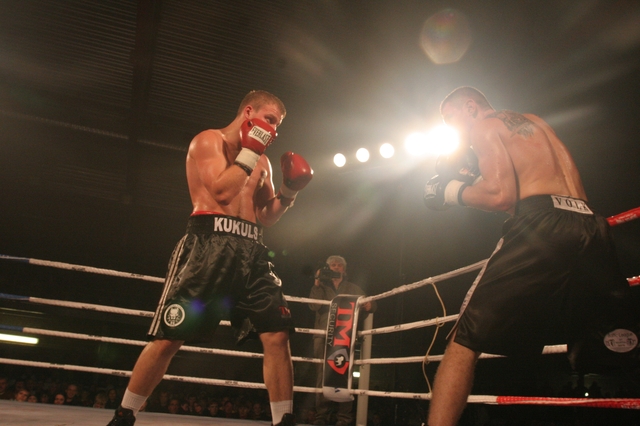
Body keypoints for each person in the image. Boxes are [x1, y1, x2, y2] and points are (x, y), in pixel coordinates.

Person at [424, 87, 635, 426]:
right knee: (614, 343)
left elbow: (501, 196)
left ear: (470, 106)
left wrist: (450, 192)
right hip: (590, 226)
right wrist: (475, 179)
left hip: (543, 227)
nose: (451, 127)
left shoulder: (484, 127)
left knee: (463, 340)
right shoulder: (536, 123)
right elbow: (538, 184)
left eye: (451, 117)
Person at [107, 90, 313, 426]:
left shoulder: (261, 162)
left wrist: (289, 193)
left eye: (277, 125)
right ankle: (124, 414)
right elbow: (222, 192)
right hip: (208, 244)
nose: (273, 130)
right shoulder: (208, 141)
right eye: (270, 120)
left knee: (278, 333)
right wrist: (250, 151)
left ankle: (283, 421)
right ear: (249, 112)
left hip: (252, 250)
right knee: (169, 338)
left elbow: (265, 216)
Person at [308, 255, 376, 426]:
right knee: (322, 376)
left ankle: (344, 419)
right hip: (323, 335)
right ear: (327, 268)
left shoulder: (353, 288)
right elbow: (313, 306)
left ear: (344, 270)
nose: (336, 267)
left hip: (345, 336)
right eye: (332, 265)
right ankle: (321, 417)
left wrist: (370, 306)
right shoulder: (321, 287)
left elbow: (371, 304)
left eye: (339, 265)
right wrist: (317, 282)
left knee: (345, 375)